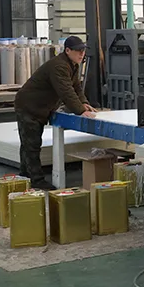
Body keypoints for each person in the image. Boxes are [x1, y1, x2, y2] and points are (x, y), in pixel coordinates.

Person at [14, 36, 97, 190]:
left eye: (83, 50)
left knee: (28, 143)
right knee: (31, 144)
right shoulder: (59, 66)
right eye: (78, 51)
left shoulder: (72, 65)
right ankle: (36, 180)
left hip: (39, 106)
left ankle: (25, 175)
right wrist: (80, 110)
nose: (82, 54)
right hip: (29, 105)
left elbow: (76, 87)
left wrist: (84, 103)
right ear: (68, 50)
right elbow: (65, 91)